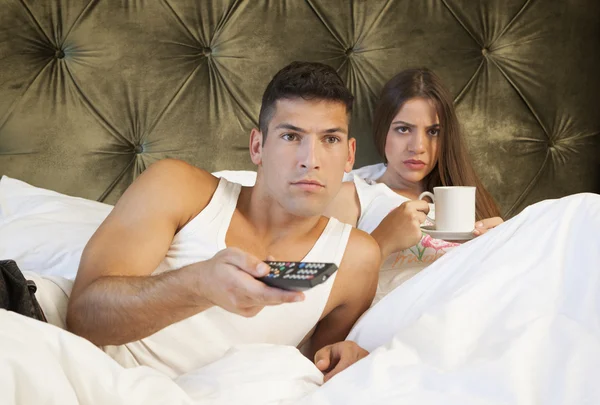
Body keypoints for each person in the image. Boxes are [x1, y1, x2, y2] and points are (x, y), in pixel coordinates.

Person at [57, 61, 381, 382]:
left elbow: (321, 370)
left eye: (330, 139)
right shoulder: (176, 188)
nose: (310, 160)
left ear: (350, 155)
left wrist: (349, 360)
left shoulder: (357, 259)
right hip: (99, 379)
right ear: (257, 146)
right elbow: (84, 317)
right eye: (291, 136)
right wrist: (199, 284)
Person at [324, 68, 504, 303]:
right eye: (403, 129)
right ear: (383, 132)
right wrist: (384, 240)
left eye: (433, 132)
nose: (418, 146)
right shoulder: (353, 195)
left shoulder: (466, 200)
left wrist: (500, 245)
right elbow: (323, 293)